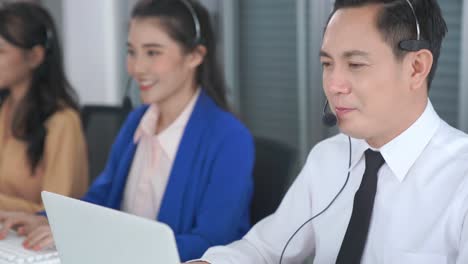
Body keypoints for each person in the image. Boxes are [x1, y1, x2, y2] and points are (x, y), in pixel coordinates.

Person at [189, 0, 468, 263]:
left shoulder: (461, 179)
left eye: (355, 64)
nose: (333, 85)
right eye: (327, 64)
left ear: (416, 68)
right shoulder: (328, 157)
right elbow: (262, 248)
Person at [0, 0, 255, 261]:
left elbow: (213, 240)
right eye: (131, 52)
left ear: (195, 56)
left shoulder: (229, 139)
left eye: (153, 53)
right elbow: (102, 196)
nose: (137, 68)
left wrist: (99, 240)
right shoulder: (137, 121)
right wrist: (45, 220)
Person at [0, 2, 88, 213]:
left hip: (36, 241)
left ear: (35, 57)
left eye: (0, 51)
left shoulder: (62, 122)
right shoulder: (4, 109)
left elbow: (57, 212)